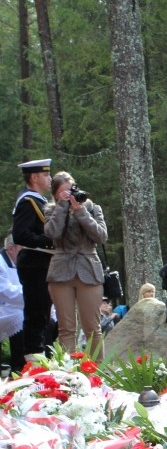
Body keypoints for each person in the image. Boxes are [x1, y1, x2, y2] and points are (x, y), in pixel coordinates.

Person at [42, 171, 108, 360]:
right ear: (55, 194)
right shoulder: (51, 210)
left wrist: (80, 211)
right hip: (61, 272)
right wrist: (62, 206)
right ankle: (68, 377)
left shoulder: (93, 208)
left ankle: (97, 374)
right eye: (64, 193)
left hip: (89, 269)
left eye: (71, 190)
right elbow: (52, 233)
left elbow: (101, 236)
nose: (69, 195)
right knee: (66, 328)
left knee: (93, 328)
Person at [10, 158, 54, 368]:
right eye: (46, 175)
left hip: (42, 262)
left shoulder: (39, 200)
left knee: (44, 311)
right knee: (36, 311)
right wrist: (50, 242)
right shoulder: (28, 202)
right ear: (35, 177)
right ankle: (33, 359)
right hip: (35, 262)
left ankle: (40, 353)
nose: (50, 178)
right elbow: (20, 234)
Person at [1, 235, 25, 375]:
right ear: (11, 248)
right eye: (23, 248)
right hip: (5, 308)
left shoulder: (20, 262)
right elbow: (5, 291)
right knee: (22, 318)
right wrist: (33, 295)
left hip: (11, 308)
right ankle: (18, 366)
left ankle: (20, 365)